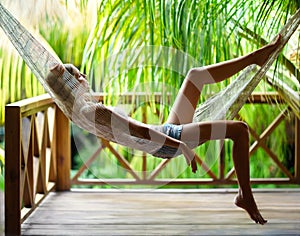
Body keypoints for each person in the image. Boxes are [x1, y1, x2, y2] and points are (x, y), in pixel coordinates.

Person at [47, 35, 281, 225]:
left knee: (195, 76)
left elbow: (140, 131)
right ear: (72, 84)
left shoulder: (79, 112)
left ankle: (253, 58)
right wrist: (180, 146)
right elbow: (139, 130)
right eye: (79, 75)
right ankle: (245, 196)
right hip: (167, 140)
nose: (84, 76)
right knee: (239, 130)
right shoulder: (92, 111)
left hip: (166, 132)